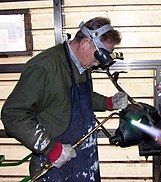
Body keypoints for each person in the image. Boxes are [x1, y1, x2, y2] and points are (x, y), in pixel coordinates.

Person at [1, 17, 128, 181]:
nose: (98, 64)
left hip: (84, 159)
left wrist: (108, 103)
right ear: (86, 43)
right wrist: (51, 148)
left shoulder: (82, 64)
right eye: (99, 57)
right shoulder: (45, 67)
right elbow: (13, 115)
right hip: (54, 165)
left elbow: (80, 98)